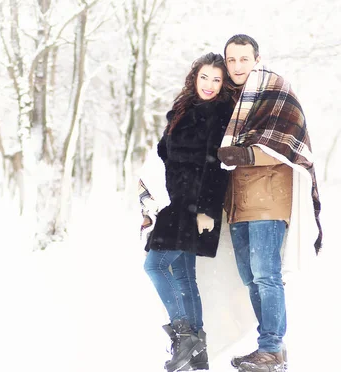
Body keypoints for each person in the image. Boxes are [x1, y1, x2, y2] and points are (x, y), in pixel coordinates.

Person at [216, 34, 323, 372]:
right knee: (250, 278)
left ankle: (271, 348)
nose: (237, 66)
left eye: (243, 59)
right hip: (237, 202)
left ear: (256, 58)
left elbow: (288, 147)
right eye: (231, 60)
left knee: (266, 275)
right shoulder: (228, 98)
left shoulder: (275, 90)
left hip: (269, 198)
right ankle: (272, 347)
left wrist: (245, 153)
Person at [141, 52, 235, 372]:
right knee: (183, 275)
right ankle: (197, 353)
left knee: (154, 266)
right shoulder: (182, 110)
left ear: (223, 85)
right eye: (204, 77)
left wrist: (207, 209)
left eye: (216, 79)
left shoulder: (222, 112)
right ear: (195, 77)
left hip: (194, 205)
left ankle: (185, 337)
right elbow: (162, 155)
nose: (209, 85)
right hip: (173, 201)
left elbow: (219, 165)